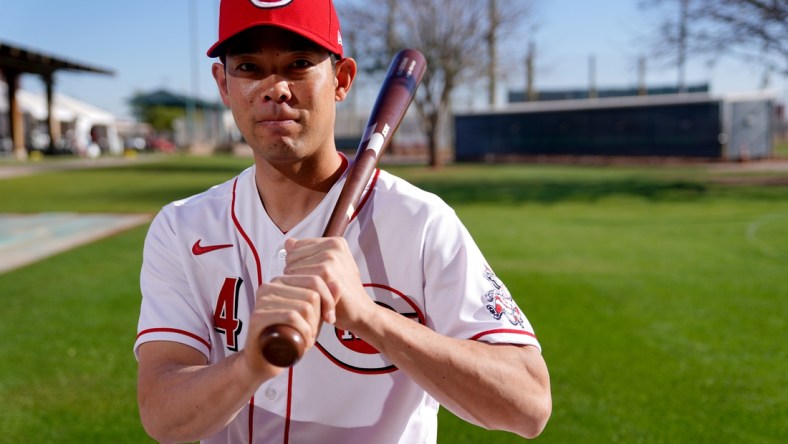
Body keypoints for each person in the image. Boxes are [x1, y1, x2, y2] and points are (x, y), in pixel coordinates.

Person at [134, 0, 551, 442]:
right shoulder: (182, 228)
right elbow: (162, 417)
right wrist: (250, 365)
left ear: (342, 80)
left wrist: (370, 318)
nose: (275, 87)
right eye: (249, 67)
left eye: (298, 64)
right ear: (223, 84)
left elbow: (528, 405)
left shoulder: (419, 221)